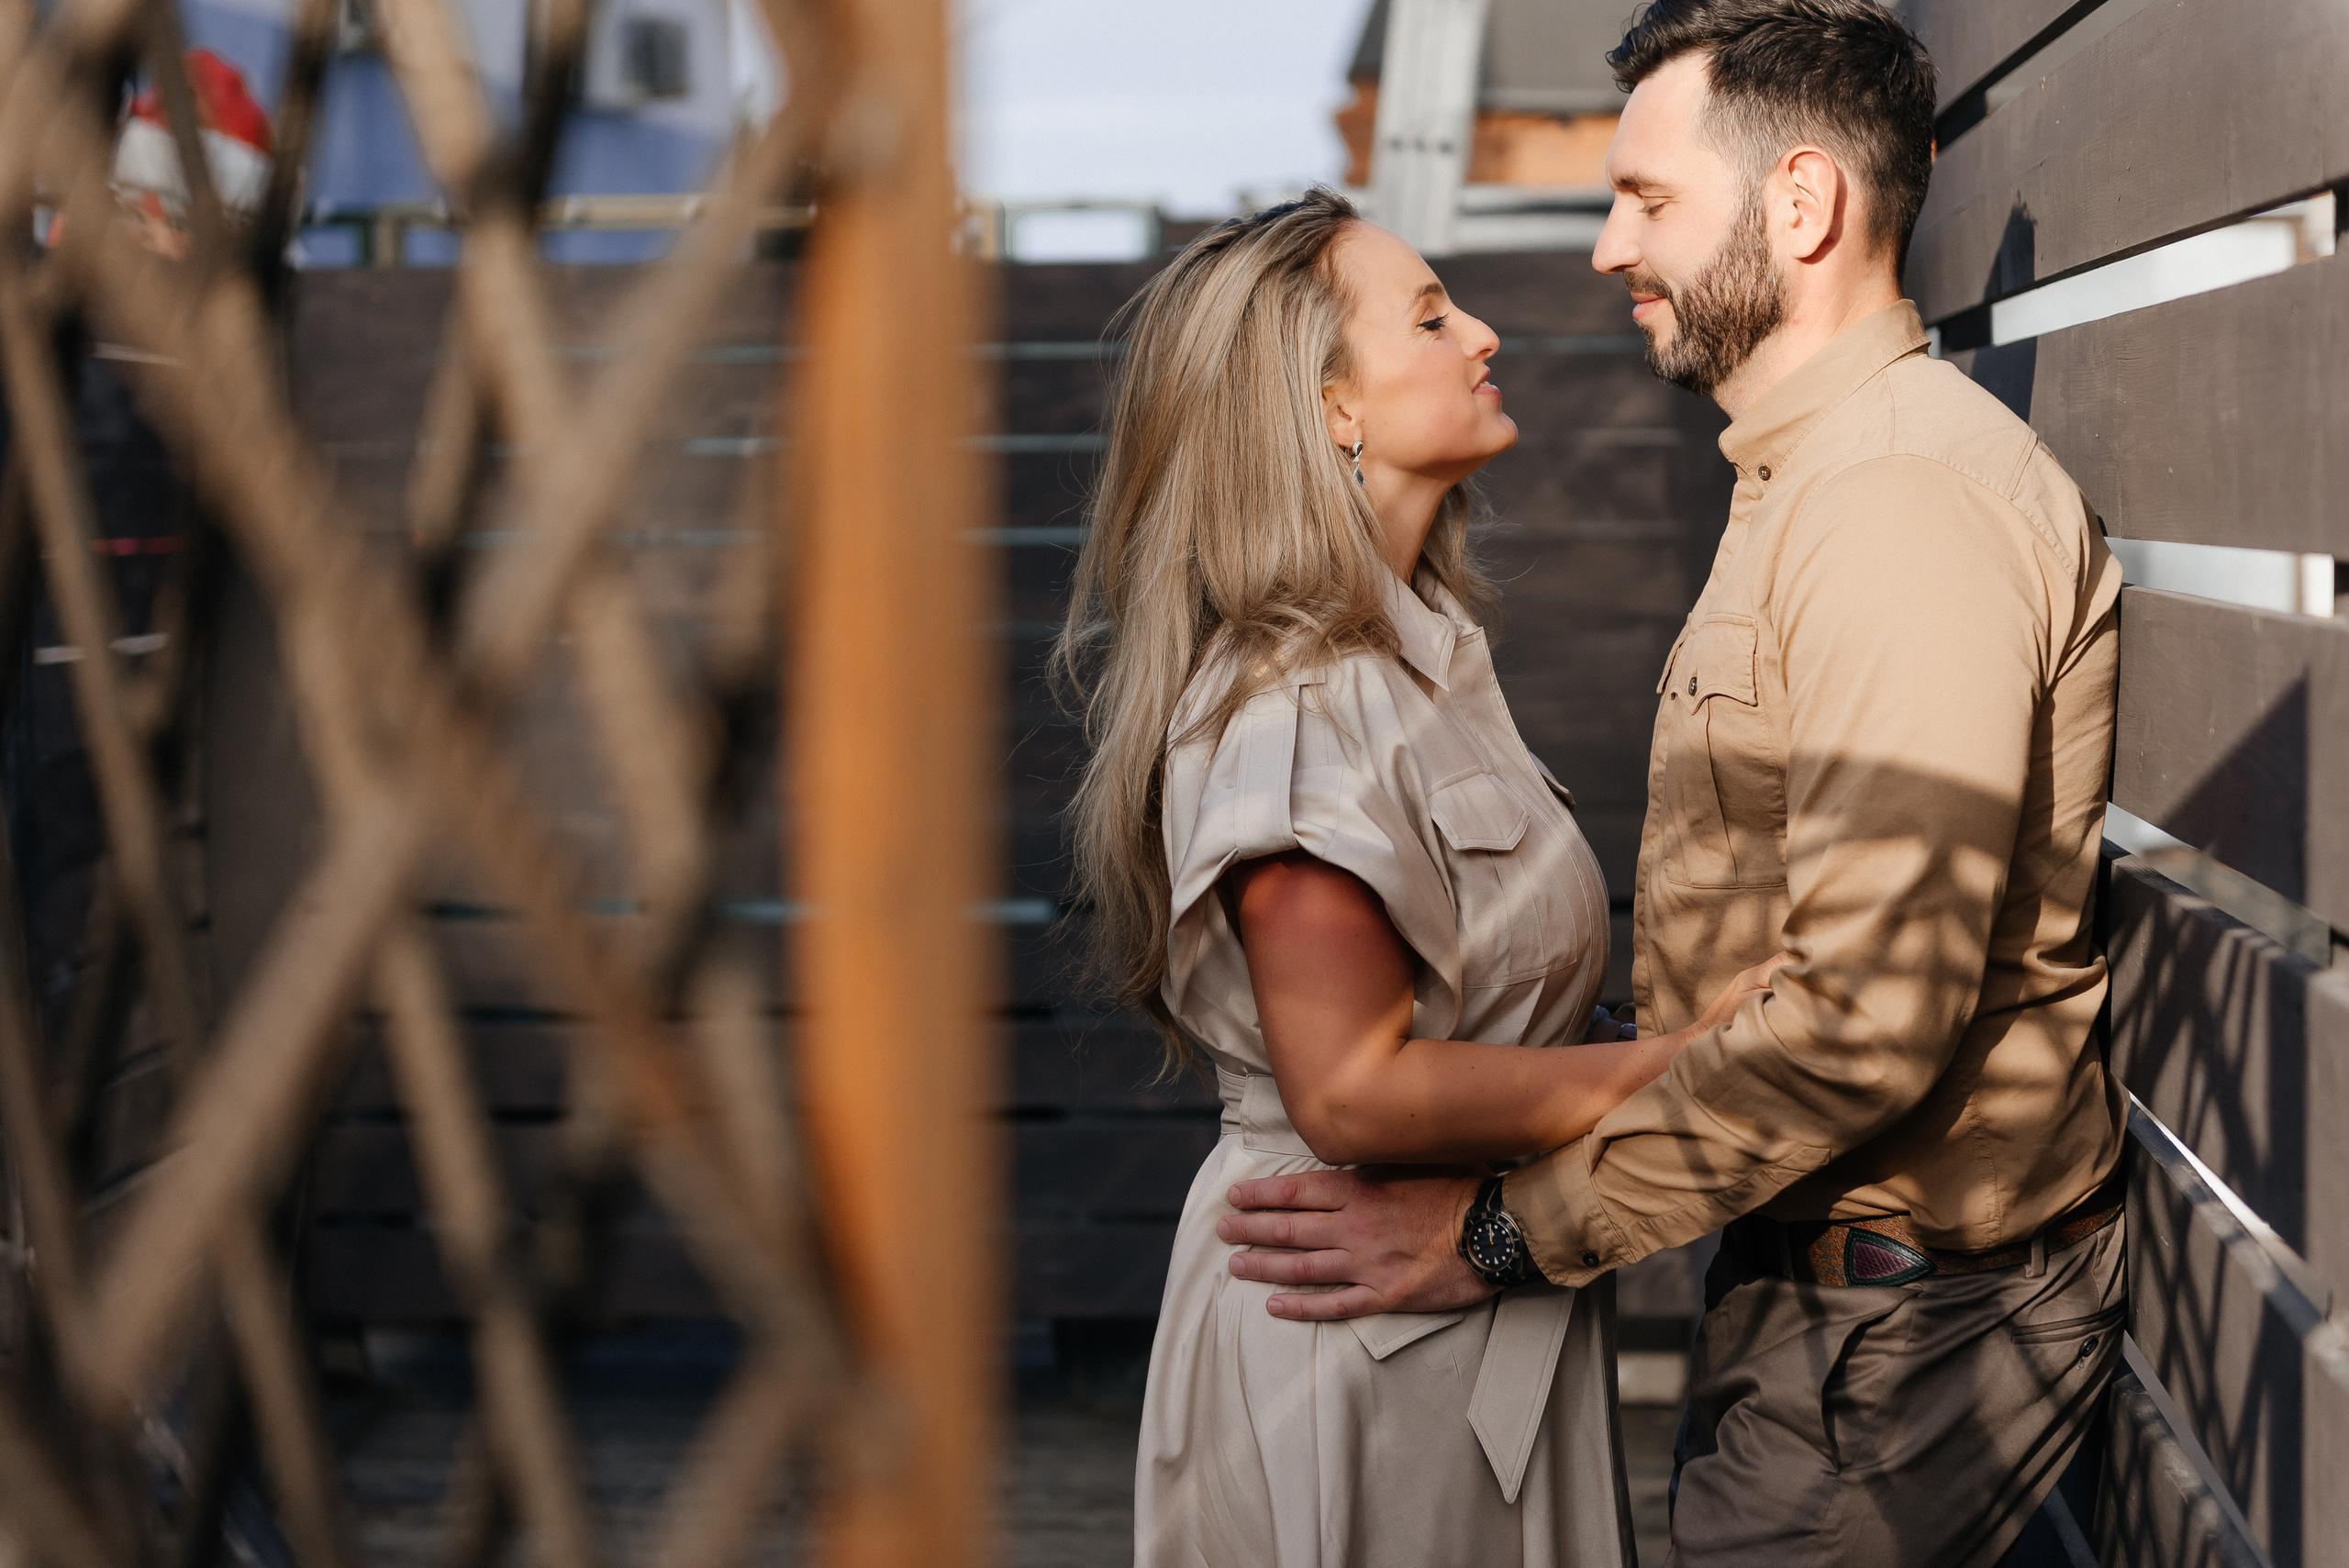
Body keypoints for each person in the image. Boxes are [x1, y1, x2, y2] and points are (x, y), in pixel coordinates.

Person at [1216, 5, 2128, 1565]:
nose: (1601, 250)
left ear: (1799, 206)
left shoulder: (1893, 509)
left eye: (1645, 199)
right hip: (1821, 1289)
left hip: (1897, 1333)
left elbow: (1859, 1027)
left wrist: (1503, 1234)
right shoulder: (1807, 482)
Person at [1052, 189, 1777, 1567]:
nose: (1484, 335)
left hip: (1449, 1311)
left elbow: (1478, 1016)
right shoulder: (1293, 708)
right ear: (1332, 411)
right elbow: (1355, 1088)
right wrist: (1683, 1061)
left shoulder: (1421, 660)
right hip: (1353, 1342)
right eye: (1433, 317)